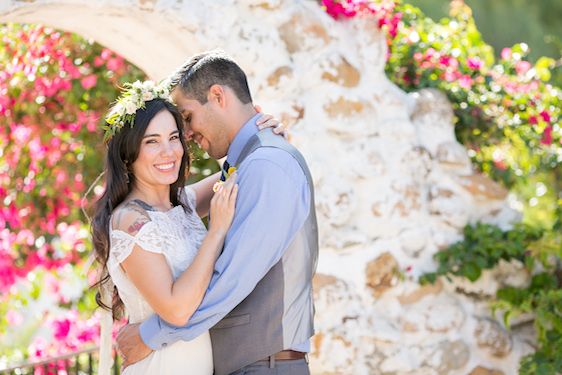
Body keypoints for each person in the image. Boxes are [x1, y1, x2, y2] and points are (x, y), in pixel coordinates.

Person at [116, 51, 319, 375]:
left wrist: (150, 335)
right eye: (152, 141)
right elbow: (181, 201)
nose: (187, 135)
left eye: (187, 117)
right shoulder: (252, 164)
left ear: (217, 96)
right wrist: (257, 132)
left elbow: (230, 280)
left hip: (263, 366)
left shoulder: (266, 165)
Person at [91, 80, 284, 374]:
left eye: (173, 137)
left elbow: (239, 174)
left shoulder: (183, 203)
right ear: (128, 153)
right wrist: (216, 231)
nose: (168, 152)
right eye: (151, 141)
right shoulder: (129, 220)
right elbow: (177, 309)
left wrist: (265, 135)